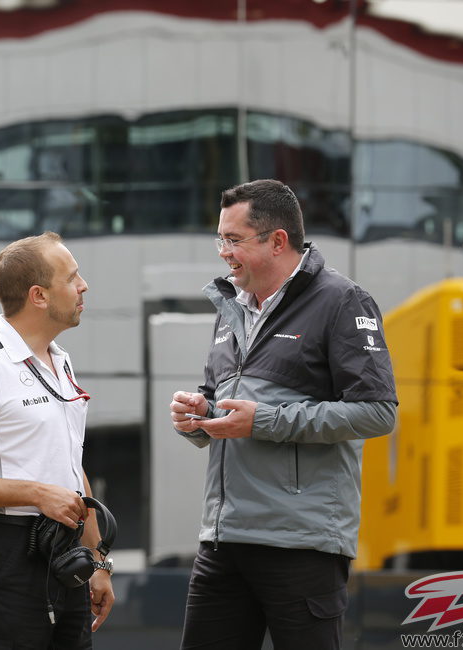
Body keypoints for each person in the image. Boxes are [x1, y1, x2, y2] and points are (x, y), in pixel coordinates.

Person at [169, 179, 397, 650]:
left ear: (277, 241)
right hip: (222, 540)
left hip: (302, 546)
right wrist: (200, 415)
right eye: (221, 239)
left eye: (233, 240)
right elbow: (227, 405)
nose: (223, 252)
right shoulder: (230, 306)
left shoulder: (342, 301)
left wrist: (265, 421)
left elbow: (377, 413)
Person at [0, 231, 115, 649]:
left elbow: (70, 466)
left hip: (65, 553)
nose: (83, 286)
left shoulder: (60, 362)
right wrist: (36, 494)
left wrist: (98, 562)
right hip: (7, 552)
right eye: (72, 278)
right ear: (39, 296)